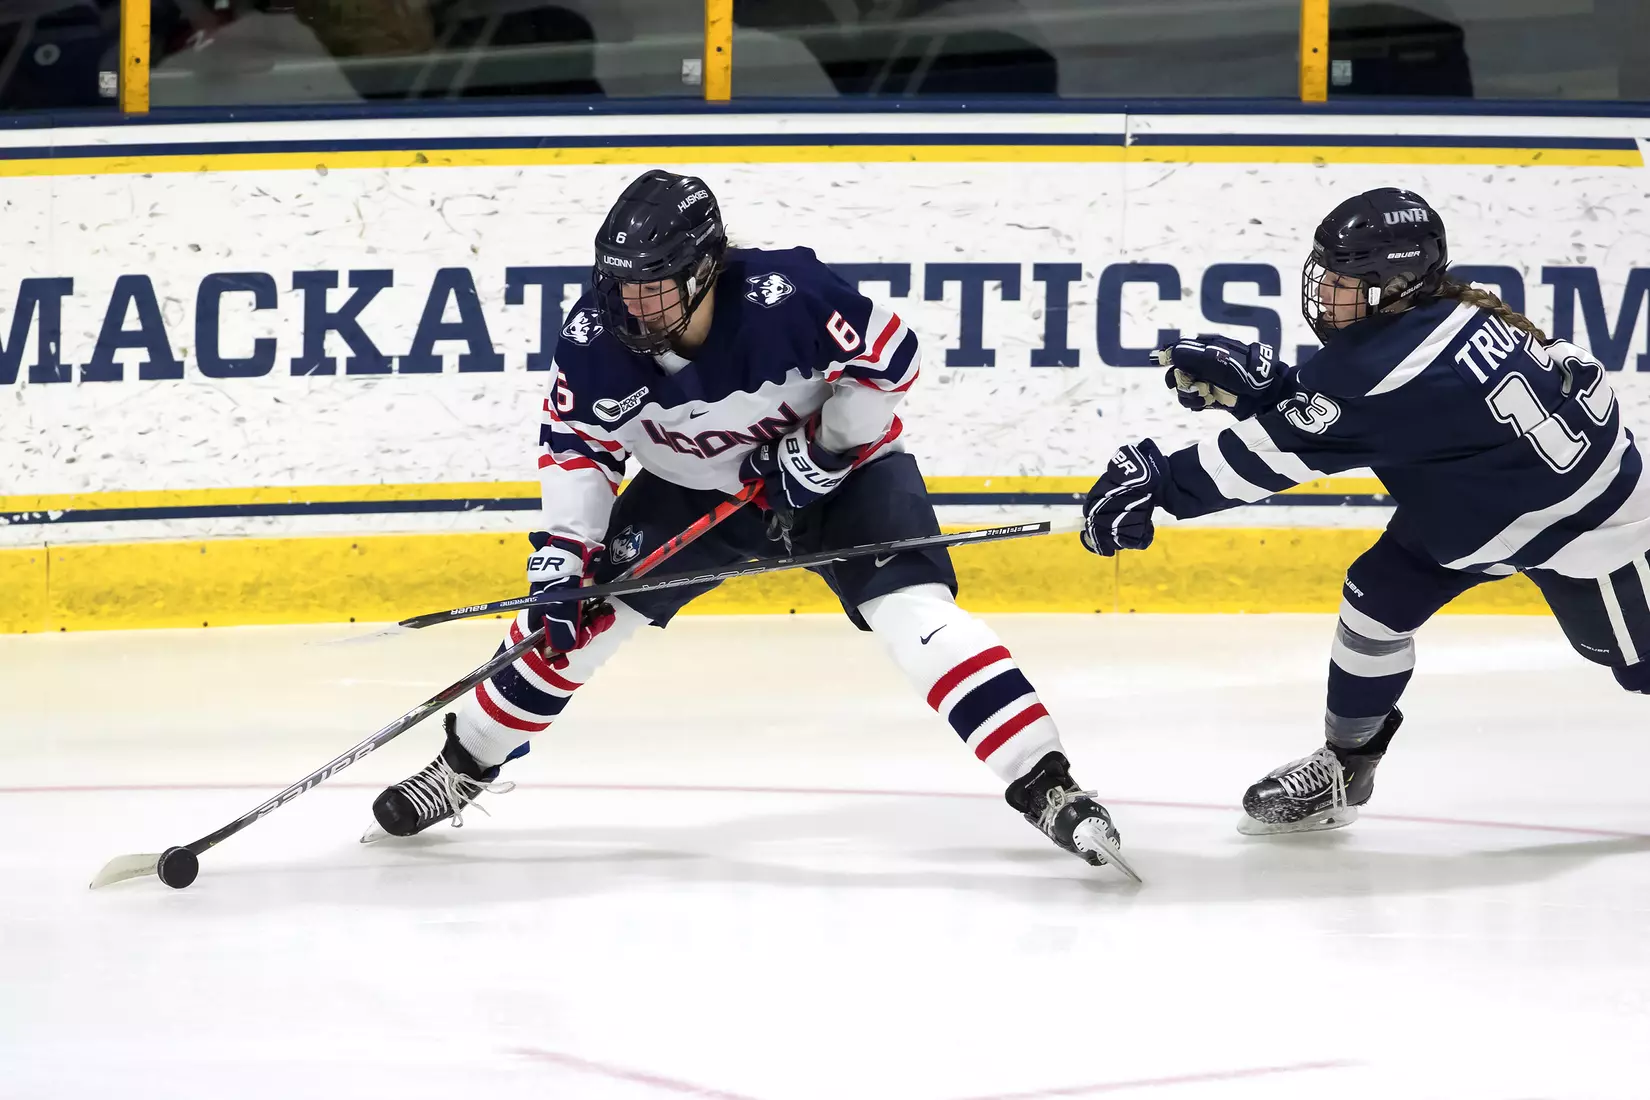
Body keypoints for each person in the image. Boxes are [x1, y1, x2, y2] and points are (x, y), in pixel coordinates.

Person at [371, 169, 1128, 871]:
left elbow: (891, 361)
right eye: (621, 286)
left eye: (655, 288)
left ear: (705, 270)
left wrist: (828, 449)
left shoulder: (788, 293)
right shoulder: (594, 339)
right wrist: (565, 553)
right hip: (689, 490)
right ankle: (462, 764)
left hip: (846, 478)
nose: (633, 306)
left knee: (916, 616)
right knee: (569, 624)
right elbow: (578, 445)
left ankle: (1047, 784)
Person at [1078, 186, 1650, 835]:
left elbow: (1266, 457)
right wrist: (1279, 391)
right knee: (1375, 599)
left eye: (1345, 283)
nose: (1325, 296)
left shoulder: (1378, 370)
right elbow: (1377, 418)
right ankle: (1346, 768)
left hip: (1591, 522)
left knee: (1638, 663)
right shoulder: (1453, 309)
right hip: (1482, 499)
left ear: (1396, 282)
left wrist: (1157, 483)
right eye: (1324, 278)